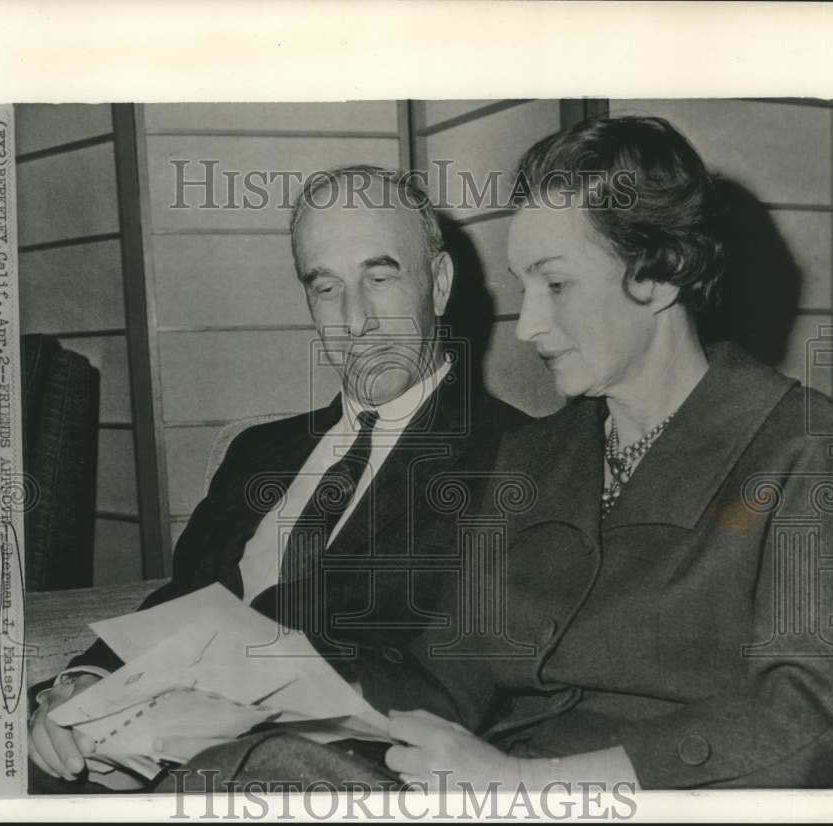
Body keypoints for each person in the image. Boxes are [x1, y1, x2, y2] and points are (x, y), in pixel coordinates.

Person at [385, 116, 833, 790]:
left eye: (558, 285)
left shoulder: (801, 445)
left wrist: (528, 786)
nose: (527, 326)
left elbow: (807, 721)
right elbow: (445, 675)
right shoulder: (530, 456)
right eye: (525, 289)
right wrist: (289, 690)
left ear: (662, 274)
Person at [27, 165, 527, 787]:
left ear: (441, 283)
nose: (355, 320)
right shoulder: (258, 452)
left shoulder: (516, 456)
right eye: (325, 287)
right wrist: (85, 680)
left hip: (320, 769)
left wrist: (258, 681)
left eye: (380, 277)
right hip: (145, 746)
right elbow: (182, 602)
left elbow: (481, 678)